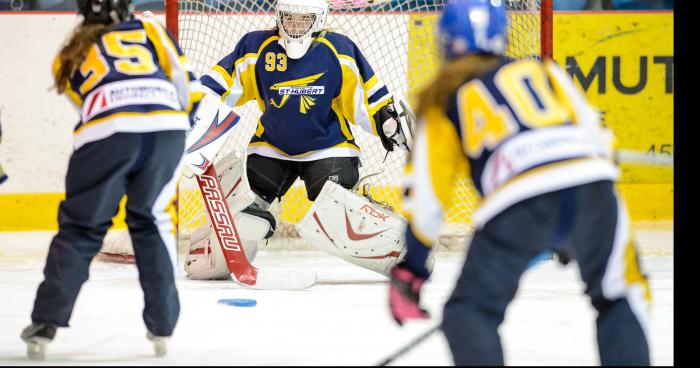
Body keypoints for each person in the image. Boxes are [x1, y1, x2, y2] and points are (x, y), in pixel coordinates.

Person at [387, 0, 651, 365]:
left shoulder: (440, 98)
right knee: (618, 297)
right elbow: (602, 142)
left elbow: (427, 199)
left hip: (516, 202)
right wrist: (568, 227)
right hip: (593, 189)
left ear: (444, 40)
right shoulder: (542, 71)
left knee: (470, 313)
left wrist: (411, 269)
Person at [21, 0, 202, 360]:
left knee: (81, 229)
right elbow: (189, 90)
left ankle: (46, 322)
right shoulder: (151, 29)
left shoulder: (68, 52)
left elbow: (88, 110)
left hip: (107, 132)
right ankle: (162, 324)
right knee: (151, 220)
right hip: (167, 130)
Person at [184, 0, 414, 280]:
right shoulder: (255, 47)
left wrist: (387, 124)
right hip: (271, 146)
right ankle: (216, 250)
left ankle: (406, 252)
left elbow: (368, 99)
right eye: (288, 18)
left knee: (343, 218)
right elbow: (216, 87)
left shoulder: (339, 50)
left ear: (318, 20)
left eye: (303, 19)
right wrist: (193, 115)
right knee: (242, 216)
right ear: (279, 17)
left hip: (329, 147)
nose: (294, 26)